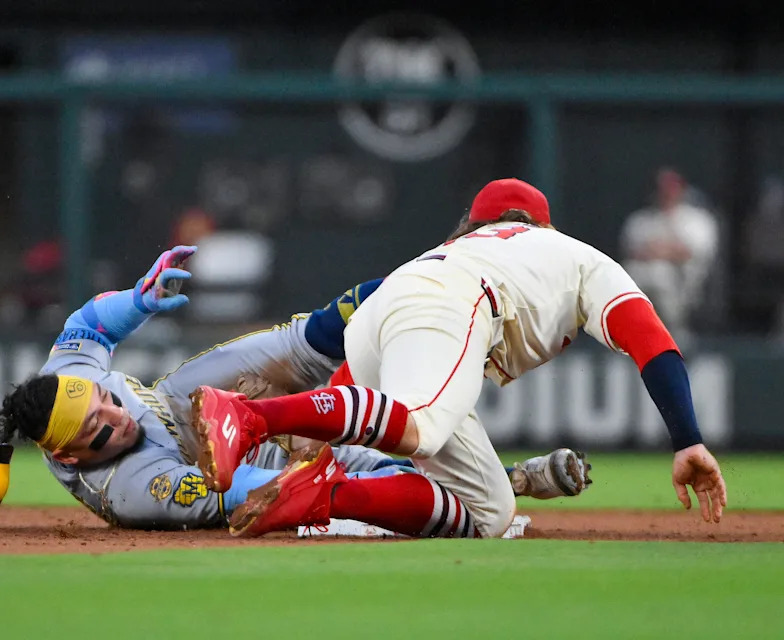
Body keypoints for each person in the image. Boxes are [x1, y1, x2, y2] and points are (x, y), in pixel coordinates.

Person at [192, 178, 727, 539]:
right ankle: (249, 416)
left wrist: (325, 438)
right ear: (545, 224)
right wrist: (688, 439)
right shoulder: (578, 257)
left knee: (490, 513)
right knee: (420, 429)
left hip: (391, 309)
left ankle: (324, 494)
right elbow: (654, 344)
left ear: (475, 222)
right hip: (460, 304)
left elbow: (371, 375)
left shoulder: (455, 249)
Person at [0, 244, 588, 531]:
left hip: (186, 408)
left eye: (105, 399)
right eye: (101, 427)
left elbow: (86, 327)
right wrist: (311, 451)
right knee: (352, 487)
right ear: (67, 455)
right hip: (230, 472)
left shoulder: (67, 384)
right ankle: (502, 486)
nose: (115, 414)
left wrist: (137, 301)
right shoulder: (135, 488)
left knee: (311, 338)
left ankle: (432, 284)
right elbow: (257, 488)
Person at [620, 168, 719, 337]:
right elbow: (632, 251)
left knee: (660, 275)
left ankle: (677, 331)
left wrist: (660, 251)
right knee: (632, 273)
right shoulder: (641, 220)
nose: (667, 194)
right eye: (662, 189)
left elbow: (692, 252)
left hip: (688, 282)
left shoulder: (697, 219)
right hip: (645, 274)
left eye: (671, 188)